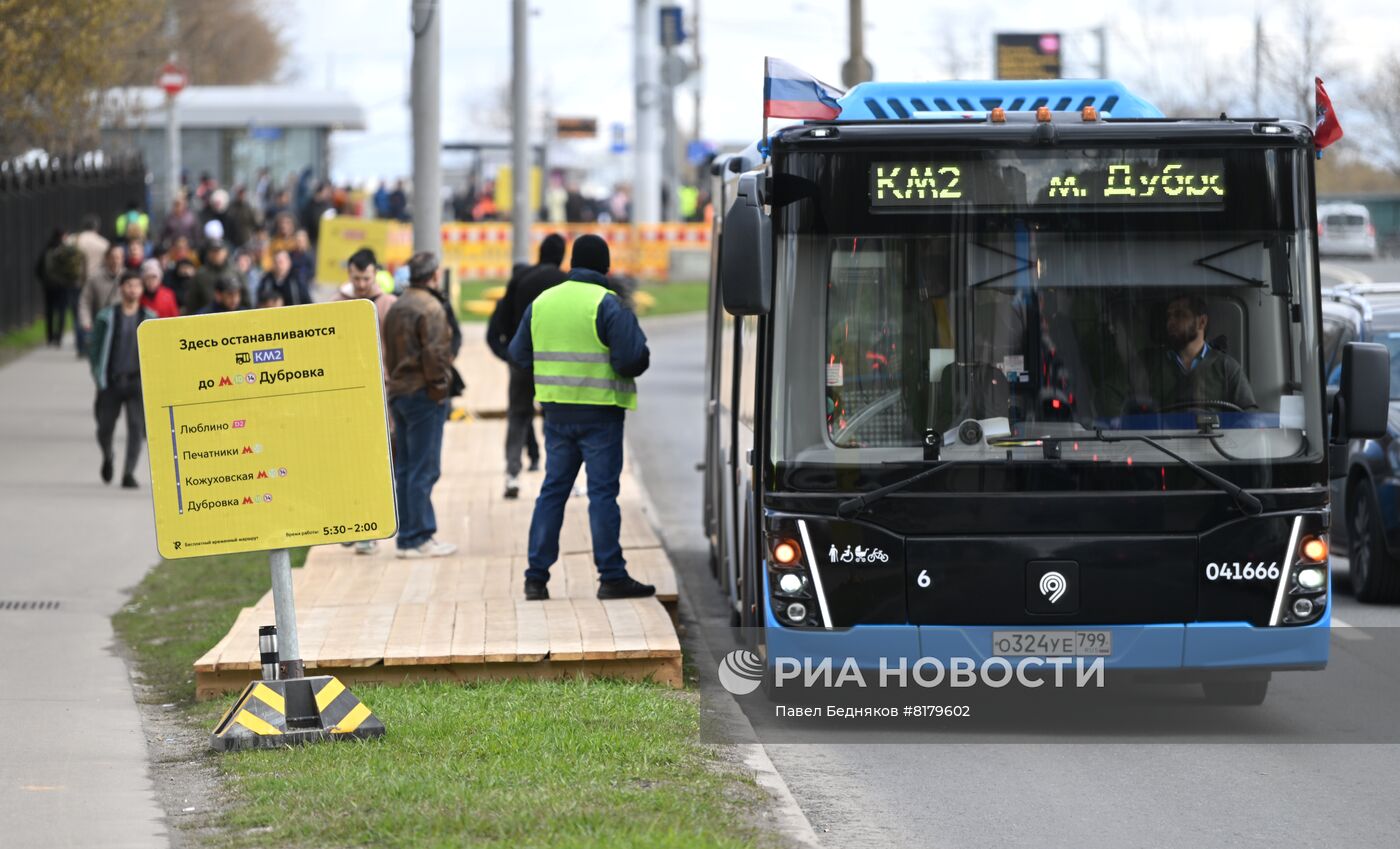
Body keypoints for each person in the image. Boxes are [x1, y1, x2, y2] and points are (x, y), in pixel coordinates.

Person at [508, 235, 653, 600]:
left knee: (552, 492)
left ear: (572, 265)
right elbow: (630, 359)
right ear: (605, 267)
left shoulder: (542, 302)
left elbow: (518, 354)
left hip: (556, 414)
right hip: (600, 414)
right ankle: (611, 576)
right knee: (602, 494)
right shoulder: (607, 304)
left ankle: (536, 578)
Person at [382, 252, 458, 559]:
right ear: (434, 275)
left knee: (406, 468)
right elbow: (437, 355)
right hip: (423, 395)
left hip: (399, 392)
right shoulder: (431, 307)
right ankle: (417, 536)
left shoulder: (398, 305)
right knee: (424, 468)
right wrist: (440, 391)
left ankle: (409, 536)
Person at [488, 234, 568, 498]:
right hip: (554, 364)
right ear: (562, 255)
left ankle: (512, 474)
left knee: (518, 416)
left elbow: (502, 319)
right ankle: (557, 476)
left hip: (521, 361)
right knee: (555, 419)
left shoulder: (521, 279)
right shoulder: (565, 282)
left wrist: (509, 354)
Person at [1133, 295, 1258, 412]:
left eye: (1179, 315)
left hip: (1212, 436)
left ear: (1202, 322)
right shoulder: (1149, 364)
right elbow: (1129, 412)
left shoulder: (1226, 367)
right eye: (1169, 316)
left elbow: (1248, 418)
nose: (1170, 322)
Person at [89, 270, 155, 488]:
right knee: (104, 427)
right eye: (128, 285)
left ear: (142, 289)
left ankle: (129, 472)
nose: (133, 289)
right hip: (112, 381)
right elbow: (95, 349)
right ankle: (108, 456)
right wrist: (99, 375)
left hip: (138, 382)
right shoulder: (106, 317)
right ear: (121, 289)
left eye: (137, 285)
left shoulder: (149, 318)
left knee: (137, 429)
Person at [37, 228, 83, 346]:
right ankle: (59, 337)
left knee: (49, 311)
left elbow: (38, 268)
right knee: (62, 311)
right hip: (62, 285)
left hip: (48, 286)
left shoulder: (47, 249)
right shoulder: (65, 251)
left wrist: (44, 281)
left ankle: (50, 337)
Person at [78, 243, 124, 354]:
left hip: (122, 326)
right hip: (101, 326)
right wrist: (86, 321)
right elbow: (85, 301)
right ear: (106, 259)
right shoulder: (95, 278)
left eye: (118, 257)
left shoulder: (127, 278)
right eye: (112, 257)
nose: (115, 261)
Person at [73, 215, 110, 354]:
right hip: (96, 282)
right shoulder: (103, 243)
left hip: (77, 282)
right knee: (95, 312)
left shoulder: (75, 240)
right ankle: (93, 343)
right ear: (96, 227)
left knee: (79, 312)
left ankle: (81, 345)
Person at [186, 240, 236, 314]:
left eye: (219, 251)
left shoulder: (235, 271)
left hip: (234, 315)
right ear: (208, 253)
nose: (216, 254)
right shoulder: (200, 275)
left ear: (225, 252)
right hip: (206, 316)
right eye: (213, 251)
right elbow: (191, 302)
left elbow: (246, 299)